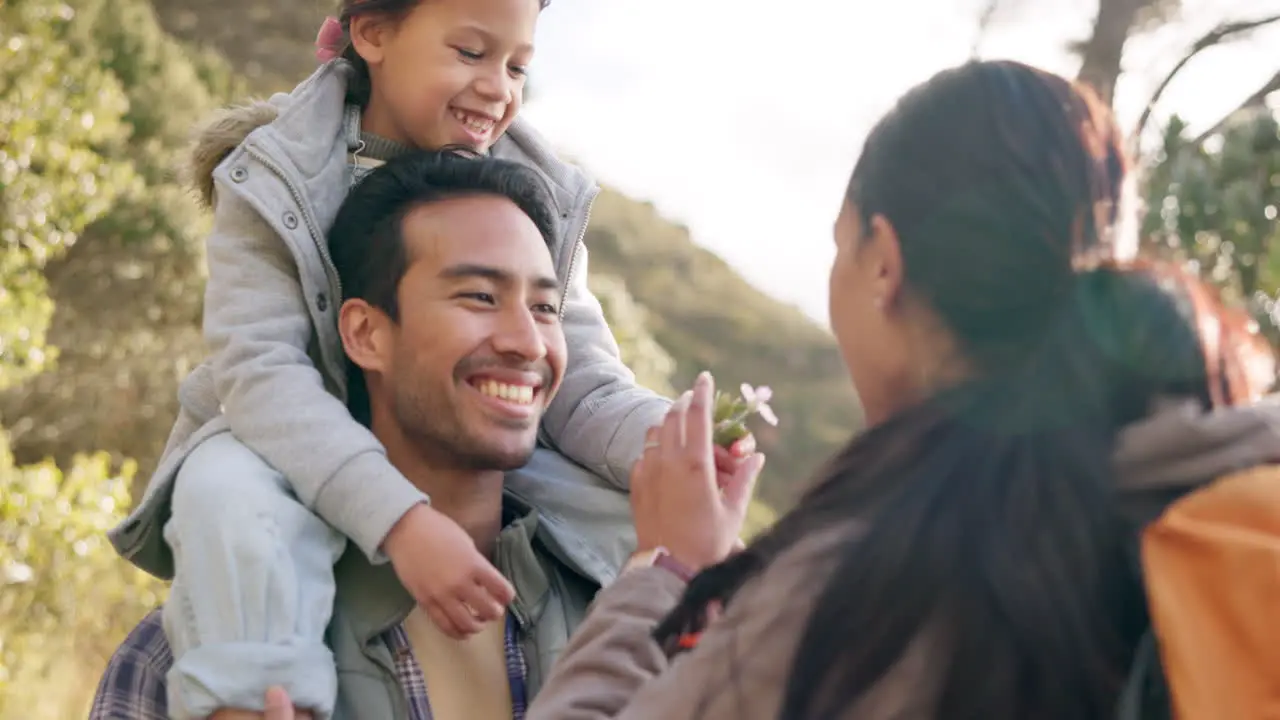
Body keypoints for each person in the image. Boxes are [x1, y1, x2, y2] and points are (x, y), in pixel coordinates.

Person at [505, 60, 1277, 719]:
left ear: (884, 263)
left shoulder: (874, 592)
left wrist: (665, 568)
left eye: (841, 246)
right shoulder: (1238, 495)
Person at [104, 0, 674, 717]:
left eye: (518, 65)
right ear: (371, 33)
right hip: (280, 433)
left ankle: (683, 633)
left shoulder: (538, 192)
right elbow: (261, 373)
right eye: (470, 53)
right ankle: (257, 695)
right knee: (224, 493)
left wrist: (677, 443)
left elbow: (585, 383)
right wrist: (400, 520)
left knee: (635, 507)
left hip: (471, 434)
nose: (498, 86)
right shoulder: (277, 173)